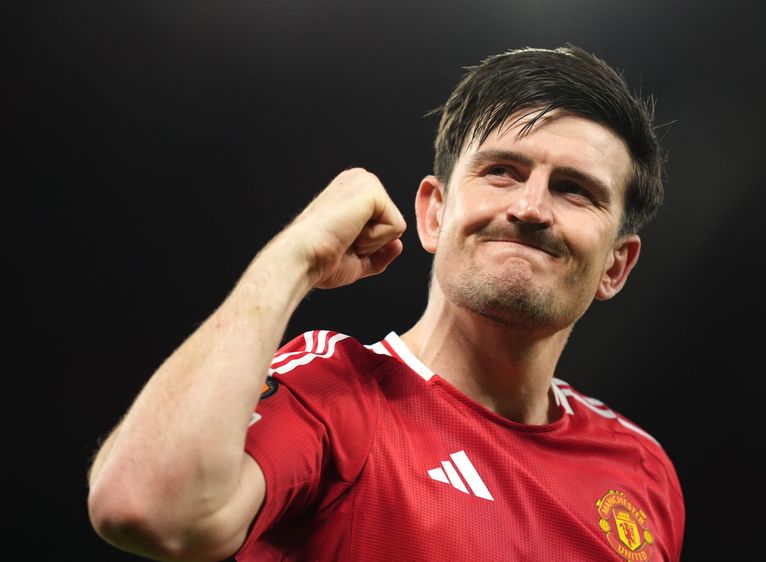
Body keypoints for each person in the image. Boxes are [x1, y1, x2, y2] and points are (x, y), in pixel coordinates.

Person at [88, 45, 685, 561]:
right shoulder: (334, 395)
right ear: (433, 212)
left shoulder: (641, 469)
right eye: (501, 171)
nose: (530, 208)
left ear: (616, 265)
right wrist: (291, 257)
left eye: (574, 190)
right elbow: (143, 507)